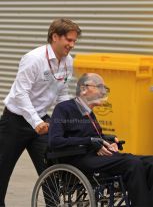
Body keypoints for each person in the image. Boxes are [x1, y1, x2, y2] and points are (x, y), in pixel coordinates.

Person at [0, 18, 81, 207]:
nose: (72, 45)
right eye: (68, 40)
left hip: (42, 122)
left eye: (74, 41)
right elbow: (20, 93)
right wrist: (36, 121)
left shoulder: (68, 61)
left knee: (50, 170)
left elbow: (62, 92)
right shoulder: (34, 58)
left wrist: (69, 119)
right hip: (16, 121)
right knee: (2, 170)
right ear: (55, 37)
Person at [49, 72, 153, 207]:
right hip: (78, 158)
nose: (103, 92)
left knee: (150, 162)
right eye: (99, 87)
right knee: (132, 163)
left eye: (105, 88)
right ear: (83, 89)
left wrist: (108, 141)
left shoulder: (89, 113)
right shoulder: (64, 109)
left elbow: (94, 138)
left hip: (97, 157)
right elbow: (55, 141)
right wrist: (90, 141)